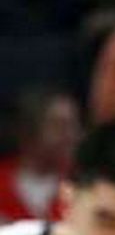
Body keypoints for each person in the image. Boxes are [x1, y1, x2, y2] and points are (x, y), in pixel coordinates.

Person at [0, 87, 80, 223]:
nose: (69, 135)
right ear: (28, 130)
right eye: (59, 126)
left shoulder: (83, 183)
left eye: (72, 125)